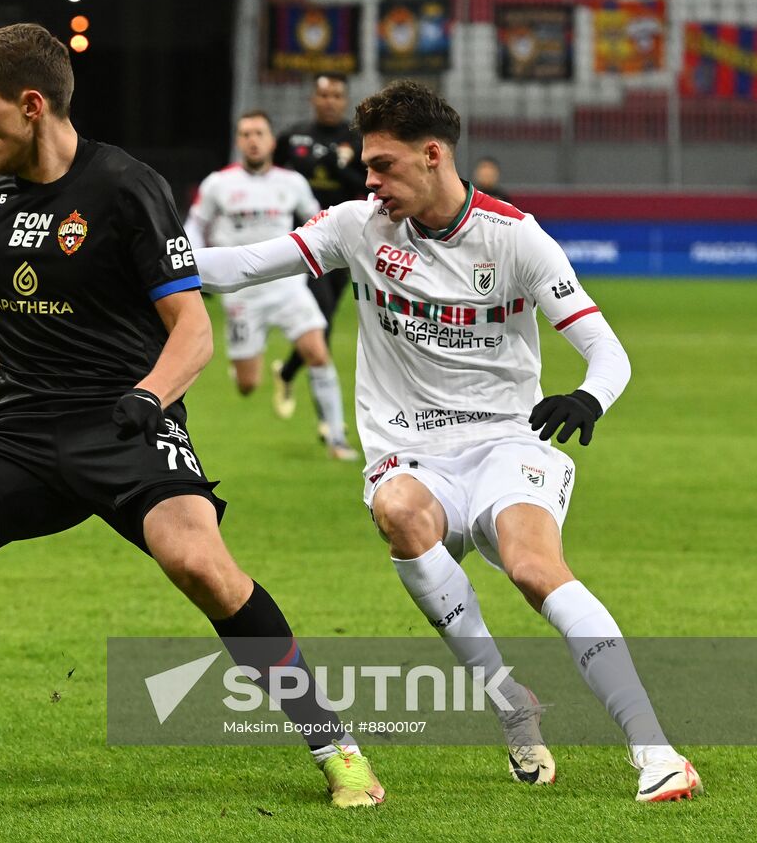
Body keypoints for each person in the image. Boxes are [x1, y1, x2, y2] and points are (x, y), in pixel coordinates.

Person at [0, 23, 384, 809]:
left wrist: (146, 401)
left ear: (32, 106)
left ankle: (338, 749)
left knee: (202, 566)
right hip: (24, 439)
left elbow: (192, 330)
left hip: (130, 426)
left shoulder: (127, 188)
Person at [196, 80, 701, 803]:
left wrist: (590, 396)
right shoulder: (356, 225)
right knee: (399, 511)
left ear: (433, 156)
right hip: (411, 452)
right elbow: (243, 264)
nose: (368, 181)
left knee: (533, 567)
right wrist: (147, 262)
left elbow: (606, 349)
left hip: (506, 442)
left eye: (383, 165)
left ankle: (656, 750)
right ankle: (508, 703)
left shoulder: (514, 237)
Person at [184, 110, 355, 459]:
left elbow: (315, 222)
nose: (253, 140)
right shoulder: (218, 183)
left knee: (317, 352)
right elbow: (195, 224)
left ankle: (336, 438)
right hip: (242, 293)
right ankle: (247, 367)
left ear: (271, 141)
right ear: (238, 141)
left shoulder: (291, 182)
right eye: (246, 134)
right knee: (248, 386)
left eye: (259, 133)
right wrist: (191, 263)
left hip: (287, 286)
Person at [272, 72, 367, 431]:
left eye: (336, 95)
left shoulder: (357, 140)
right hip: (303, 241)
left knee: (324, 320)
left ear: (344, 101)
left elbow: (370, 186)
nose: (329, 101)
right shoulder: (293, 137)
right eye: (323, 94)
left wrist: (343, 168)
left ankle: (288, 371)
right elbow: (273, 178)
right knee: (321, 313)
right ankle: (327, 422)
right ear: (313, 98)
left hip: (344, 241)